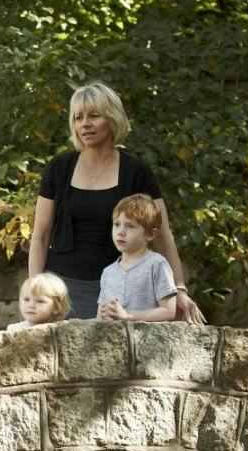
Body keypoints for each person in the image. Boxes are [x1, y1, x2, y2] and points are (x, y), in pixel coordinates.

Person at [28, 81, 205, 324]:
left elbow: (162, 235)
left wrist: (179, 290)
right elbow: (40, 236)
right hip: (61, 288)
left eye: (94, 116)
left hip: (120, 288)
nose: (85, 124)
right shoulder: (58, 169)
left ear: (111, 119)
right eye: (78, 118)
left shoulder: (137, 172)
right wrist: (36, 291)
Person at [97, 194, 178, 322]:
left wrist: (127, 316)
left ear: (150, 234)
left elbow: (168, 311)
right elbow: (100, 316)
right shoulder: (108, 272)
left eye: (130, 226)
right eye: (117, 224)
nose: (121, 232)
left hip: (146, 341)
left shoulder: (157, 264)